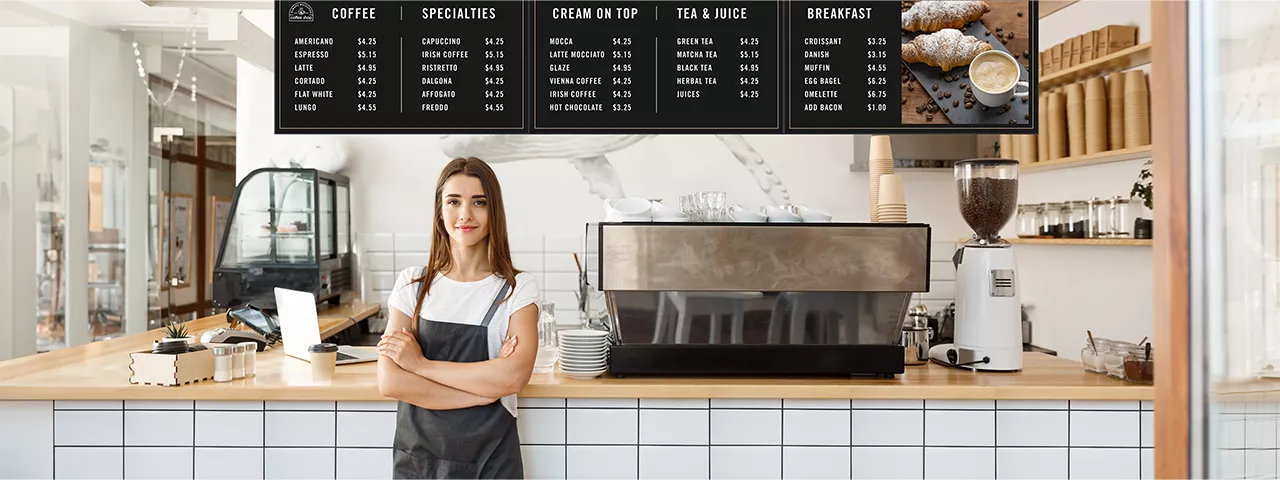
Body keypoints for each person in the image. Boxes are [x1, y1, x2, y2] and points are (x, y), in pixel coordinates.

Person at [376, 157, 540, 479]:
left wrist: (420, 366)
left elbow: (514, 377)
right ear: (440, 211)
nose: (465, 214)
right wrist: (484, 393)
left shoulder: (516, 288)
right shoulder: (413, 284)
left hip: (490, 463)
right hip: (419, 463)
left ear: (494, 211)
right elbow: (391, 381)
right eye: (454, 202)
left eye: (479, 202)